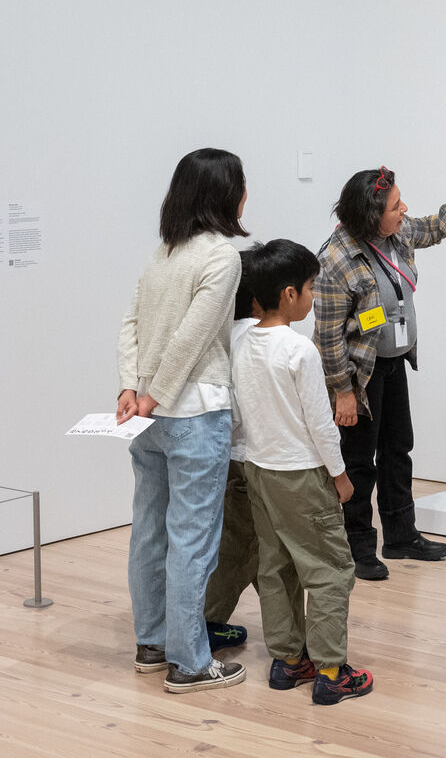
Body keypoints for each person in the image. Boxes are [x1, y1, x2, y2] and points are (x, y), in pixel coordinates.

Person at [315, 167, 446, 581]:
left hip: (394, 361)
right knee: (359, 461)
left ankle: (400, 535)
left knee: (399, 449)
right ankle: (357, 545)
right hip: (359, 376)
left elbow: (428, 228)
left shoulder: (394, 233)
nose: (404, 210)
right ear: (369, 215)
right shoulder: (335, 261)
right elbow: (327, 339)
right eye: (396, 205)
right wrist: (342, 394)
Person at [116, 148, 249, 693]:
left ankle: (153, 642)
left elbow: (131, 323)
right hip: (194, 413)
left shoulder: (163, 254)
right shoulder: (221, 257)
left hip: (148, 415)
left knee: (150, 531)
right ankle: (190, 662)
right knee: (192, 540)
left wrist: (133, 387)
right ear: (225, 194)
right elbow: (193, 338)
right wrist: (155, 395)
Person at [229, 240, 374, 705]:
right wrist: (340, 476)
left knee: (275, 566)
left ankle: (288, 661)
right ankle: (332, 670)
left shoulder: (240, 341)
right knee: (330, 568)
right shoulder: (299, 351)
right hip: (303, 475)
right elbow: (320, 422)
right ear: (289, 294)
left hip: (258, 470)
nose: (314, 297)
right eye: (312, 288)